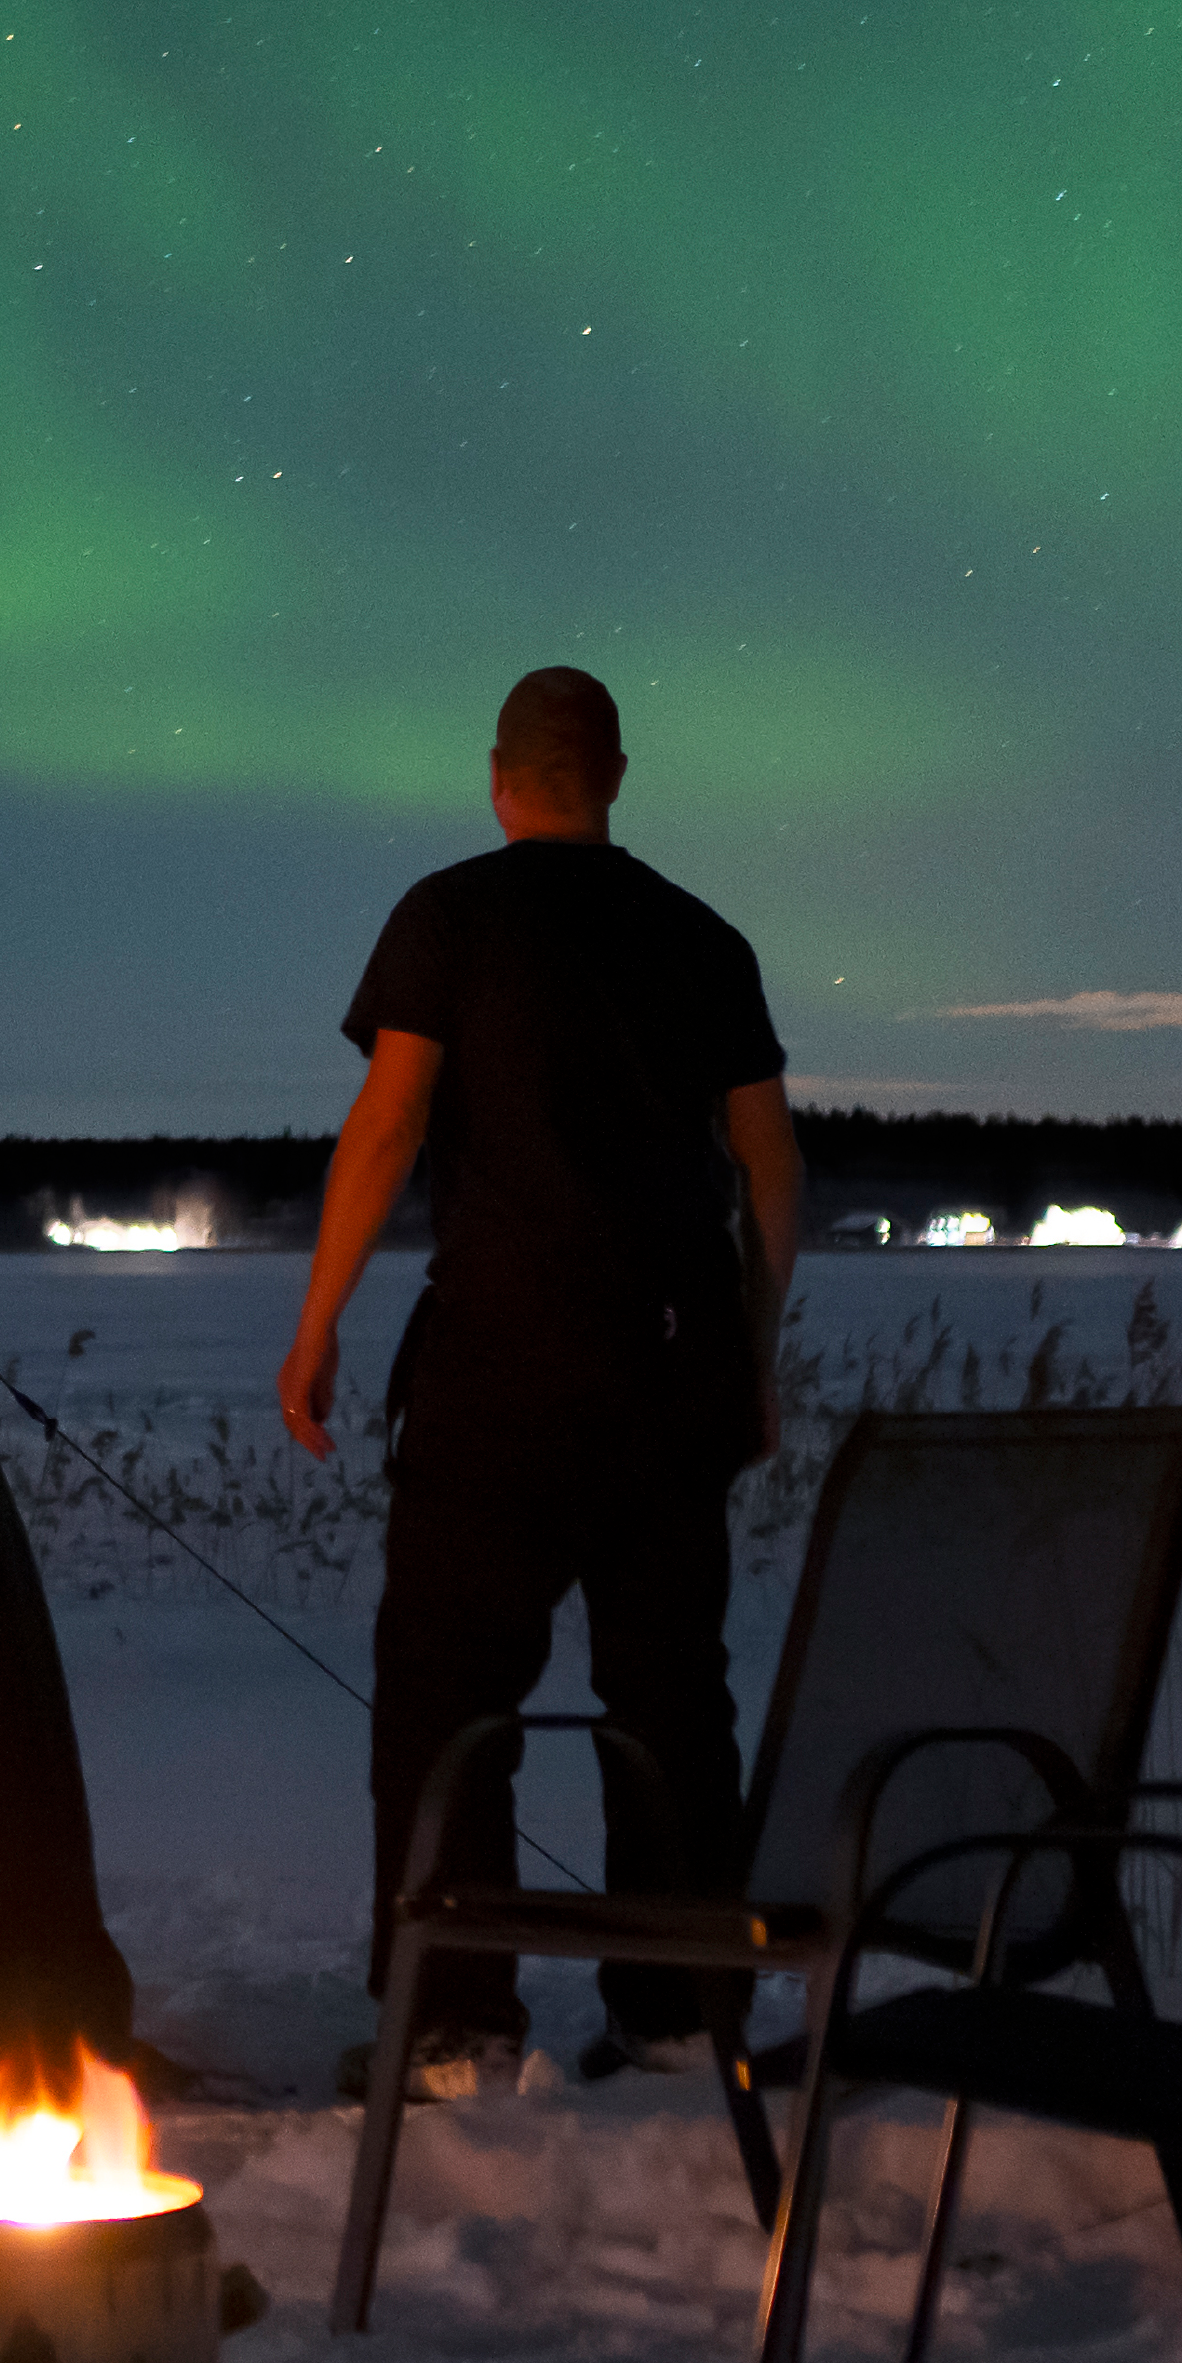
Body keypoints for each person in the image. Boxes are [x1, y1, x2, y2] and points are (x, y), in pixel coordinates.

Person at [274, 665, 803, 2092]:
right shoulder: (705, 939)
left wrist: (318, 1321)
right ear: (616, 773)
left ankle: (451, 2025)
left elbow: (387, 1129)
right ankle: (683, 2013)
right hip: (673, 1365)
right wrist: (753, 1354)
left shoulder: (448, 919)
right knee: (672, 1696)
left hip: (498, 1367)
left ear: (498, 777)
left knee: (447, 1688)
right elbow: (769, 1171)